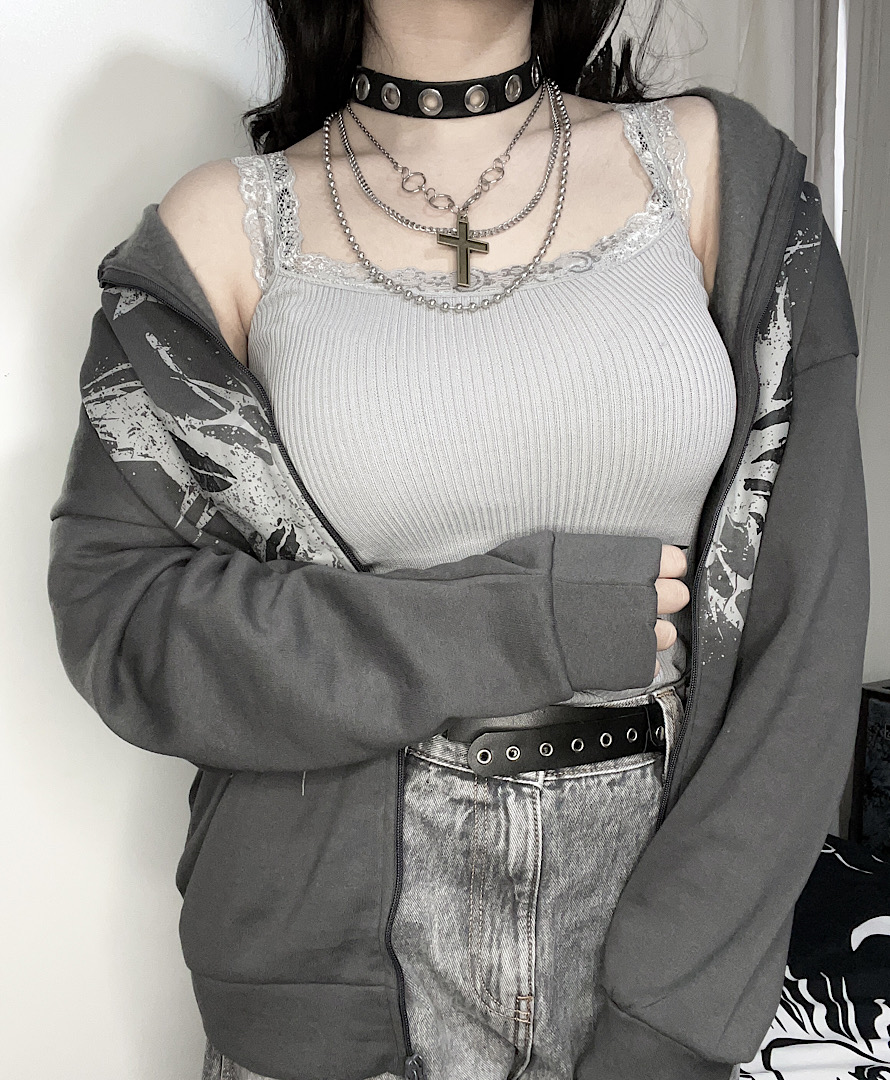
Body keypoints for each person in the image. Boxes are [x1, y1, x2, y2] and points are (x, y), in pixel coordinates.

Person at [45, 1, 869, 1079]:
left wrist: (677, 1008)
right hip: (324, 957)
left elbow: (806, 632)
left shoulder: (723, 178)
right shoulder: (219, 229)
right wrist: (513, 624)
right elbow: (122, 618)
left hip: (660, 908)